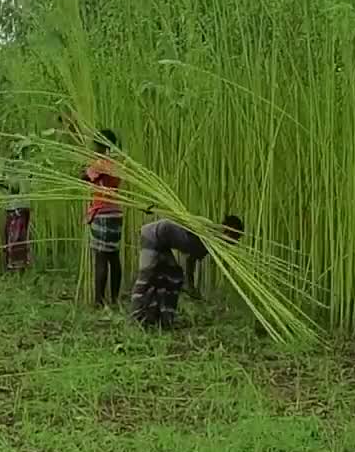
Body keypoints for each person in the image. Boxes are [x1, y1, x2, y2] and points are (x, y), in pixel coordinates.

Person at [131, 214, 244, 328]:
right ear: (228, 232)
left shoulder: (210, 243)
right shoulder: (207, 231)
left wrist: (191, 286)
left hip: (162, 242)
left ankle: (164, 317)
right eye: (235, 238)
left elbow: (191, 260)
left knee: (175, 276)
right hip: (152, 235)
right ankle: (136, 316)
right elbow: (183, 220)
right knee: (146, 276)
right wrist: (190, 286)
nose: (234, 243)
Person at [82, 129, 123, 307]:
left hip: (103, 213)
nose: (94, 147)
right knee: (113, 256)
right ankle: (114, 299)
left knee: (101, 257)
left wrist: (85, 170)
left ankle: (98, 301)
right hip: (116, 213)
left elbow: (84, 177)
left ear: (102, 144)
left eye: (96, 144)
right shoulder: (117, 164)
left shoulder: (101, 164)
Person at [0, 147, 32, 272]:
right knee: (14, 237)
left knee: (17, 238)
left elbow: (14, 187)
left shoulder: (19, 170)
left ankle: (17, 266)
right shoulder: (18, 169)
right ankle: (15, 265)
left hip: (18, 208)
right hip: (15, 208)